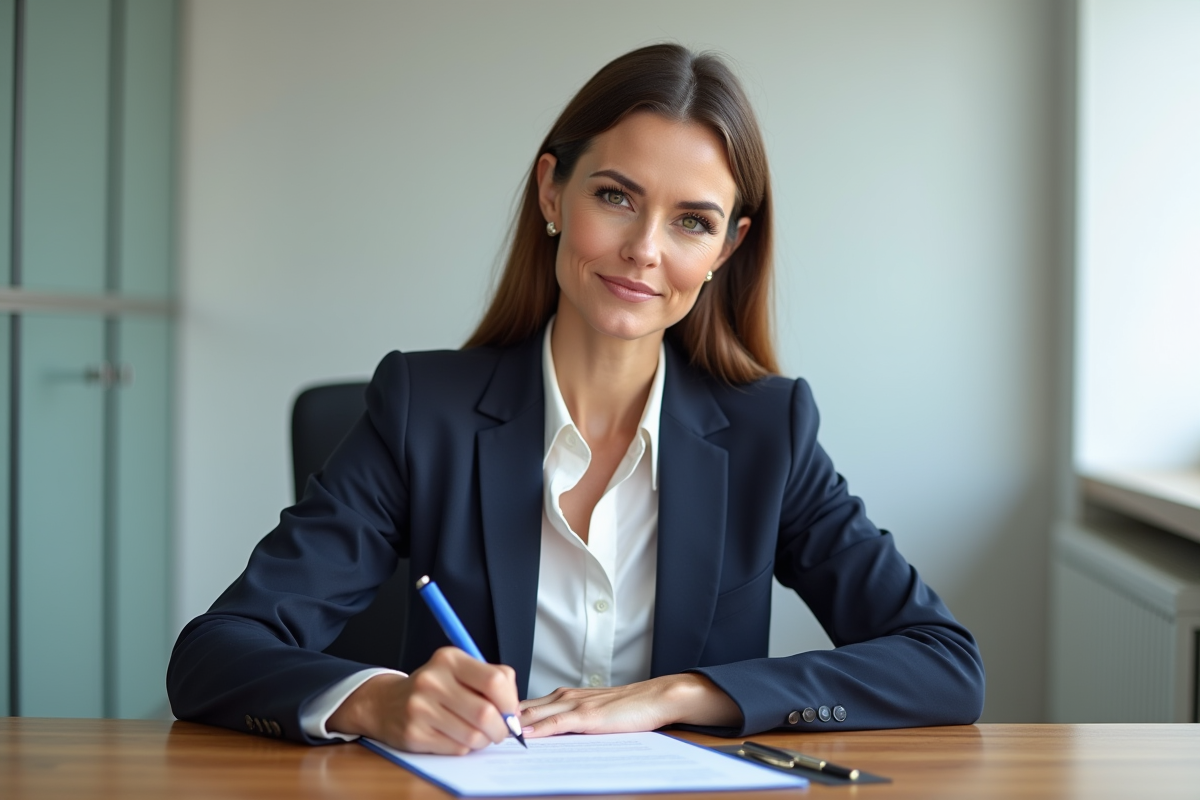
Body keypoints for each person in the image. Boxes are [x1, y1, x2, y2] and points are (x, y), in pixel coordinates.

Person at [167, 43, 984, 755]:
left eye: (692, 222)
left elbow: (944, 665)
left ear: (726, 250)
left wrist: (680, 693)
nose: (643, 250)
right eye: (616, 197)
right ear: (553, 194)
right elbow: (215, 654)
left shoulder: (771, 432)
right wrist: (382, 700)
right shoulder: (424, 412)